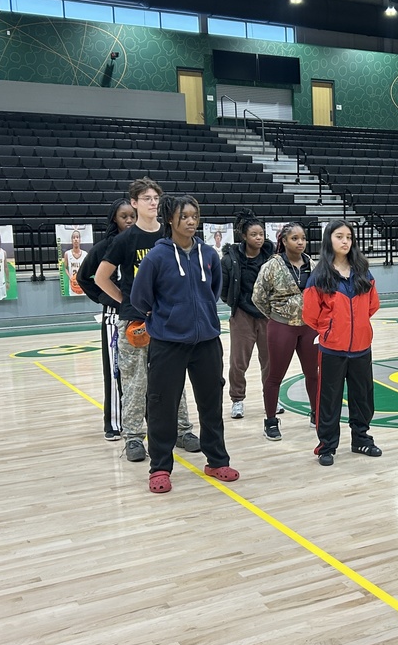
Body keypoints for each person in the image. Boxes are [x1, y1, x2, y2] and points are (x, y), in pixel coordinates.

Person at [130, 194, 239, 493]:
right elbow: (140, 298)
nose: (191, 221)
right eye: (185, 216)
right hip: (168, 343)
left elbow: (214, 290)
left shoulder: (208, 254)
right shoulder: (156, 257)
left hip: (206, 342)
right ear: (170, 219)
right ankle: (160, 468)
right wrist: (165, 318)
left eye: (195, 216)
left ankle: (217, 461)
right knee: (162, 407)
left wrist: (201, 317)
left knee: (211, 404)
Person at [94, 177, 200, 463]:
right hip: (135, 323)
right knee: (136, 382)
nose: (153, 203)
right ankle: (133, 437)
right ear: (134, 203)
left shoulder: (170, 236)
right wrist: (126, 302)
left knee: (174, 379)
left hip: (169, 322)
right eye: (147, 198)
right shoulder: (124, 240)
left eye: (156, 198)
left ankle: (182, 430)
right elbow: (100, 278)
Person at [303, 220, 382, 467]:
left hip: (361, 348)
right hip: (332, 350)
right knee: (329, 399)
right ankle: (327, 445)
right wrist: (330, 330)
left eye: (349, 236)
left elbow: (372, 305)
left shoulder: (363, 271)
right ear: (330, 240)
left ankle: (361, 439)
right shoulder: (319, 276)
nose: (345, 241)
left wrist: (357, 327)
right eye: (339, 236)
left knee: (363, 397)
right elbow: (310, 314)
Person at [251, 222, 319, 441]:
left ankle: (316, 414)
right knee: (275, 376)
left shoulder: (312, 263)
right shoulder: (272, 265)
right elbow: (258, 296)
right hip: (282, 326)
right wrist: (276, 315)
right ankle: (271, 420)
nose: (300, 242)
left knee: (313, 374)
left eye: (303, 238)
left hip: (308, 327)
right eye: (295, 238)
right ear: (283, 241)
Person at [78, 197, 136, 441]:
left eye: (133, 216)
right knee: (115, 372)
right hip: (115, 316)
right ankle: (113, 423)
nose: (130, 221)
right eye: (125, 217)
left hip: (141, 314)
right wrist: (107, 298)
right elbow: (84, 277)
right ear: (115, 219)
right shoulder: (105, 247)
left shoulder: (145, 243)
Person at [221, 211, 275, 420]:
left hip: (267, 315)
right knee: (238, 362)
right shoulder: (230, 259)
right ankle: (237, 400)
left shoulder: (271, 258)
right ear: (244, 236)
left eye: (261, 234)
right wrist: (235, 304)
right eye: (254, 234)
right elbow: (223, 289)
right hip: (242, 315)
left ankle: (271, 399)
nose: (259, 238)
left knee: (270, 361)